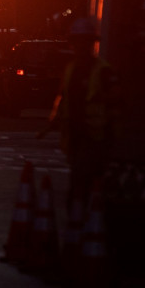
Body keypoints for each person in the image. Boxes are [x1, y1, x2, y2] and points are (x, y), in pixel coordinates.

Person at [39, 17, 119, 210]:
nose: (80, 46)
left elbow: (116, 105)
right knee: (81, 180)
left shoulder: (103, 72)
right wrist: (54, 121)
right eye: (77, 41)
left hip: (95, 139)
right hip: (75, 136)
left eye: (85, 41)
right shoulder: (71, 69)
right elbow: (63, 97)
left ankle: (86, 221)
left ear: (92, 43)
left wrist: (111, 135)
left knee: (84, 184)